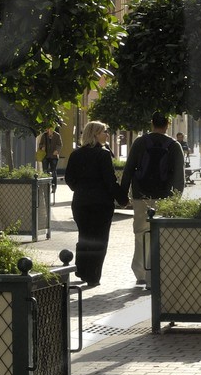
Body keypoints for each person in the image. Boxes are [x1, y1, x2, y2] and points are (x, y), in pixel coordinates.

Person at [122, 113, 184, 287]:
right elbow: (179, 176)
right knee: (160, 235)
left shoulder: (140, 143)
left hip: (141, 195)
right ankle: (154, 274)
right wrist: (176, 199)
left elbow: (128, 169)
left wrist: (123, 195)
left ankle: (140, 272)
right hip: (164, 197)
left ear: (151, 123)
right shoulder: (174, 145)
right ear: (168, 124)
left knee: (140, 233)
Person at [64, 120, 125, 288]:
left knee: (84, 236)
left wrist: (80, 189)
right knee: (99, 239)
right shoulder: (103, 154)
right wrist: (122, 199)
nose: (107, 134)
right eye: (104, 131)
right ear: (96, 134)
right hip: (101, 204)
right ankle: (93, 276)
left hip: (81, 202)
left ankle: (82, 270)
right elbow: (110, 181)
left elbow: (69, 178)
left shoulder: (76, 154)